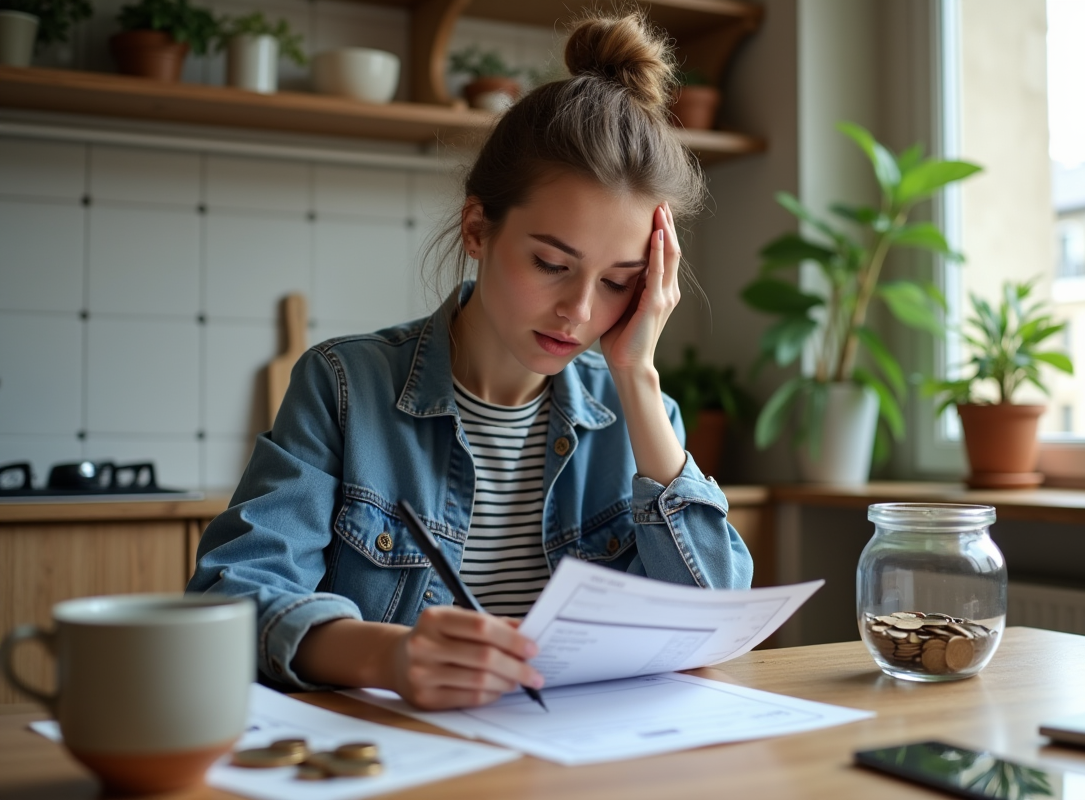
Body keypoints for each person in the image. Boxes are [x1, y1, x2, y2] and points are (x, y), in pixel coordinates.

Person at [188, 12, 753, 711]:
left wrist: (637, 376)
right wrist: (389, 656)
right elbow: (232, 595)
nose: (578, 310)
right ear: (477, 227)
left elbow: (710, 624)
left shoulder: (642, 424)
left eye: (617, 281)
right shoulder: (343, 387)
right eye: (551, 263)